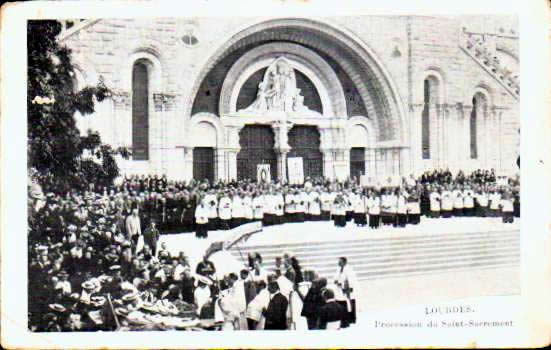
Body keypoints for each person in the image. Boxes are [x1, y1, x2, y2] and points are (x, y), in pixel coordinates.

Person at [333, 257, 358, 328]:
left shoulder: (349, 269)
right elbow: (335, 277)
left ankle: (351, 319)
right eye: (338, 261)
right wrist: (336, 281)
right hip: (340, 289)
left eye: (340, 262)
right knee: (344, 303)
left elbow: (350, 279)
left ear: (344, 262)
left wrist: (345, 285)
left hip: (347, 289)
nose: (338, 263)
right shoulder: (338, 269)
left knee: (350, 303)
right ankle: (346, 318)